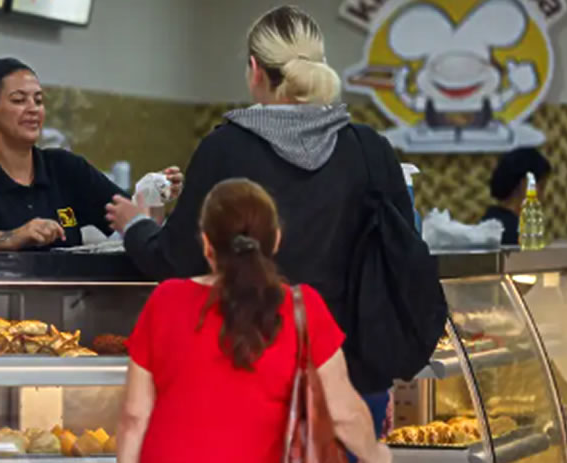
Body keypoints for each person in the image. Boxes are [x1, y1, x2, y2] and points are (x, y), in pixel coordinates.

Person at [106, 5, 414, 441]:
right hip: (351, 380)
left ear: (254, 70)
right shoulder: (370, 151)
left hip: (247, 380)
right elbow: (400, 261)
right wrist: (383, 374)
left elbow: (177, 261)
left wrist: (136, 225)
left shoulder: (225, 150)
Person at [118, 179, 390, 463]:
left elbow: (134, 417)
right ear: (276, 240)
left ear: (207, 244)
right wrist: (377, 455)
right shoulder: (301, 308)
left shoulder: (165, 300)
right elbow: (344, 414)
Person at [0, 57, 182, 251]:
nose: (33, 109)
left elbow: (132, 220)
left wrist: (153, 192)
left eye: (38, 100)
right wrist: (12, 237)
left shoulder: (65, 168)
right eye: (19, 100)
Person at [481, 147, 552, 245]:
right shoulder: (518, 235)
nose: (543, 196)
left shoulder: (488, 221)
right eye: (541, 187)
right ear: (526, 185)